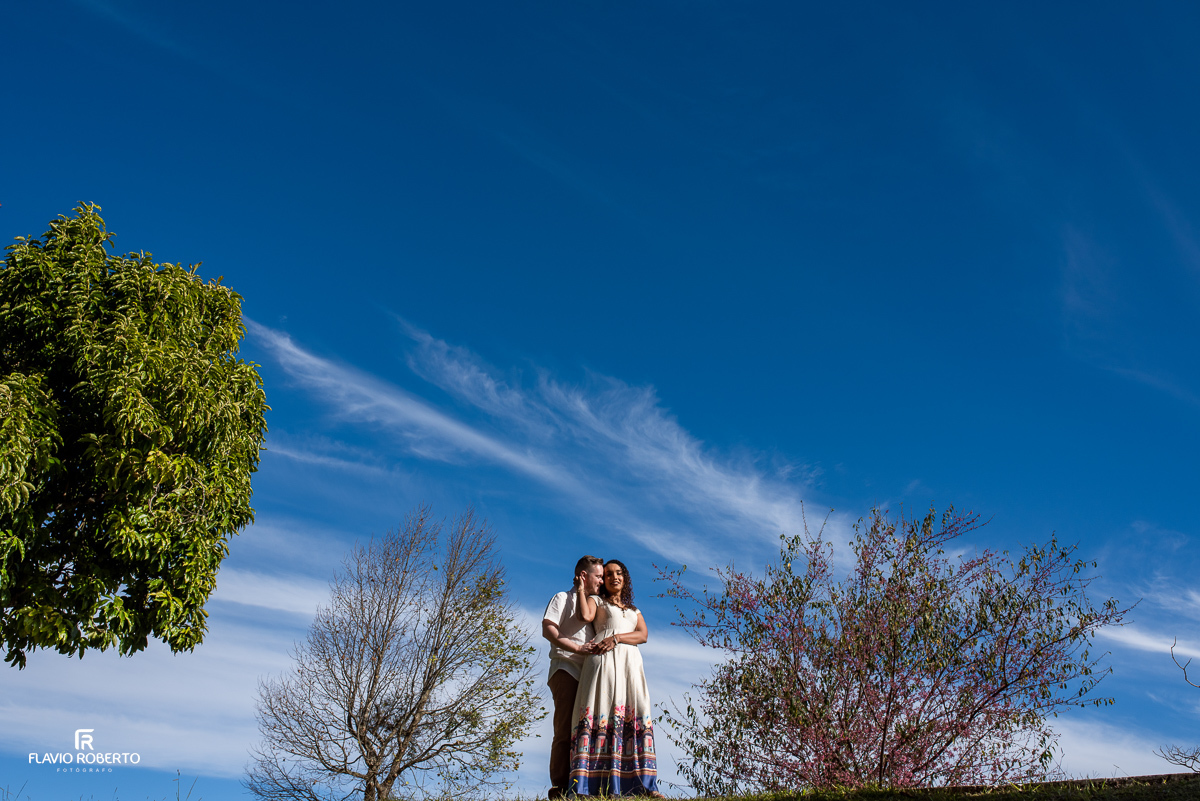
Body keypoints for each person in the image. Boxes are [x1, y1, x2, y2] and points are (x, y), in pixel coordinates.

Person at [569, 559, 662, 797]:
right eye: (608, 574)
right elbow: (584, 615)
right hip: (604, 665)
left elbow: (643, 635)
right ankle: (587, 786)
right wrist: (581, 588)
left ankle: (643, 785)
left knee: (634, 712)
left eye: (618, 573)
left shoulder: (634, 610)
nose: (613, 577)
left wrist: (618, 638)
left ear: (625, 577)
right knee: (602, 711)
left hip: (630, 666)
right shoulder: (597, 601)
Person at [542, 555, 606, 799]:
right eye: (598, 576)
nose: (601, 581)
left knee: (585, 730)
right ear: (583, 576)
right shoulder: (562, 598)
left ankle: (581, 786)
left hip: (590, 674)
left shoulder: (593, 605)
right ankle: (558, 787)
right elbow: (548, 629)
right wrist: (577, 649)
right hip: (566, 668)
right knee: (564, 728)